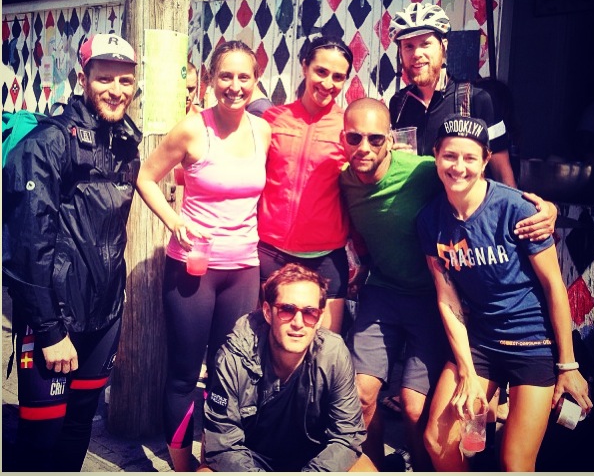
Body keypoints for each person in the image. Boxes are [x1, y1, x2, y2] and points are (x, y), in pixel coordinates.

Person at [338, 98, 557, 471]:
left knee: (418, 409)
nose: (364, 147)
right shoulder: (346, 180)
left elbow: (484, 189)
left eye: (375, 138)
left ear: (390, 139)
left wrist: (546, 210)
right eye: (354, 137)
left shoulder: (426, 172)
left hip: (457, 308)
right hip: (392, 294)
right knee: (364, 397)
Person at [417, 114, 592, 471]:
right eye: (450, 156)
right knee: (437, 440)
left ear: (485, 161)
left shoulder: (517, 208)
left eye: (470, 158)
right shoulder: (430, 220)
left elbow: (554, 285)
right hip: (481, 342)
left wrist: (568, 365)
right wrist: (466, 370)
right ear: (436, 156)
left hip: (532, 345)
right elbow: (447, 298)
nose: (459, 167)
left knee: (514, 462)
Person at [2, 33, 141, 471]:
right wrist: (49, 332)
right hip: (54, 320)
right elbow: (25, 249)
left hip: (104, 317)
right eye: (104, 78)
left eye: (125, 80)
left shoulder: (125, 142)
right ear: (83, 80)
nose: (116, 90)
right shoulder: (47, 143)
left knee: (80, 425)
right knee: (41, 438)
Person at [136, 40, 271, 472]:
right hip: (193, 268)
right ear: (211, 79)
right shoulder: (193, 129)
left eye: (244, 76)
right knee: (183, 372)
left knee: (227, 371)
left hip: (244, 267)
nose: (235, 85)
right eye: (225, 76)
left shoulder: (262, 130)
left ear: (256, 80)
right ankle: (181, 466)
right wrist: (173, 220)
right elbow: (146, 176)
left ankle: (214, 460)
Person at [201, 263, 376, 472]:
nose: (298, 323)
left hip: (314, 458)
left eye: (309, 312)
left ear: (319, 318)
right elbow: (222, 444)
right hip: (248, 458)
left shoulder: (334, 354)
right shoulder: (234, 356)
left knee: (365, 469)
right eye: (287, 310)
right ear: (268, 312)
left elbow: (347, 436)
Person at [257, 35, 354, 333]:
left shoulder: (349, 128)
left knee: (326, 348)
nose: (328, 83)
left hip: (326, 258)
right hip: (271, 253)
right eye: (321, 71)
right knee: (266, 343)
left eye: (338, 77)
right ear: (304, 67)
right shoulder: (273, 119)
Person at [388, 2, 517, 186]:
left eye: (426, 44)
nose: (416, 53)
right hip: (414, 204)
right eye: (408, 46)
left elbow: (503, 175)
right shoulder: (399, 103)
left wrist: (515, 204)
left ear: (444, 46)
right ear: (400, 52)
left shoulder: (478, 100)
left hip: (462, 205)